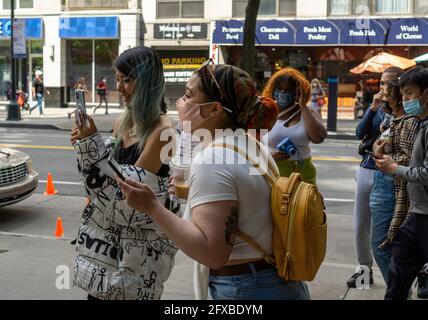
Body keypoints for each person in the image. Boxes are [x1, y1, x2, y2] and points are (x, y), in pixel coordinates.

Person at [116, 61, 311, 300]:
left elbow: (212, 253)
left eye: (188, 95)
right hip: (274, 281)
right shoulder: (251, 146)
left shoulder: (213, 159)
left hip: (246, 289)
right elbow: (245, 206)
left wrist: (152, 207)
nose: (180, 102)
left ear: (214, 109)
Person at [70, 46, 179, 300]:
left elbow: (127, 197)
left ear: (148, 82)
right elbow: (98, 186)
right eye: (118, 79)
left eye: (127, 80)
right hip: (104, 255)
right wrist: (85, 145)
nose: (119, 87)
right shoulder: (122, 122)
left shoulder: (164, 131)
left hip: (136, 264)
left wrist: (92, 146)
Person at [376, 66, 428, 300]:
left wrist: (394, 168)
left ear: (425, 95)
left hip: (425, 216)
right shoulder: (419, 123)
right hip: (416, 215)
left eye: (409, 93)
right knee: (396, 281)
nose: (405, 100)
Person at [348, 67, 402, 288]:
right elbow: (360, 133)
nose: (383, 88)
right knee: (361, 222)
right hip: (368, 168)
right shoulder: (377, 109)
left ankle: (415, 271)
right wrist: (372, 108)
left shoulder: (402, 109)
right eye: (381, 84)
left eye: (388, 84)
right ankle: (364, 269)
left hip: (392, 173)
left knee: (397, 226)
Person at [261, 68, 327, 185]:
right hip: (272, 172)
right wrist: (270, 156)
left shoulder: (308, 112)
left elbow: (318, 138)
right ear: (273, 90)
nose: (282, 93)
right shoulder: (263, 112)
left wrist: (303, 106)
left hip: (302, 174)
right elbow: (250, 144)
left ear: (298, 92)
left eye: (288, 90)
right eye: (279, 89)